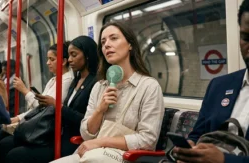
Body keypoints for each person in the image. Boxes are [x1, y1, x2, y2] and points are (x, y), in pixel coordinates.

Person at [51, 22, 164, 163]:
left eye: (114, 38)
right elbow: (86, 134)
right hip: (95, 153)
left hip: (126, 157)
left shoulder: (149, 87)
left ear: (130, 45)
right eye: (103, 42)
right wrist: (99, 110)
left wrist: (100, 142)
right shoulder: (99, 86)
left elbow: (148, 140)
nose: (107, 45)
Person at [173, 0, 249, 162]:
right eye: (246, 38)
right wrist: (190, 150)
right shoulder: (219, 85)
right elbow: (197, 134)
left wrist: (223, 160)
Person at [0, 42, 74, 163]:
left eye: (51, 59)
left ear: (63, 61)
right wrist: (18, 118)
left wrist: (25, 90)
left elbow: (47, 108)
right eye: (47, 59)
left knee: (4, 146)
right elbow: (38, 109)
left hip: (46, 131)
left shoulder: (67, 81)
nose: (47, 63)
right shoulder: (53, 80)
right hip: (38, 124)